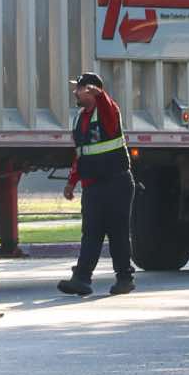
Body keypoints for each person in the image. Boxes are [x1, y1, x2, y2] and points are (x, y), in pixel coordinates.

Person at [59, 71, 136, 296]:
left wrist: (100, 94)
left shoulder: (108, 112)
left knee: (117, 233)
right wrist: (71, 182)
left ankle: (125, 279)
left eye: (79, 88)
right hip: (93, 185)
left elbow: (107, 106)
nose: (75, 92)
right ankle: (81, 280)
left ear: (91, 91)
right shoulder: (79, 118)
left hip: (117, 183)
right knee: (91, 233)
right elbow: (81, 154)